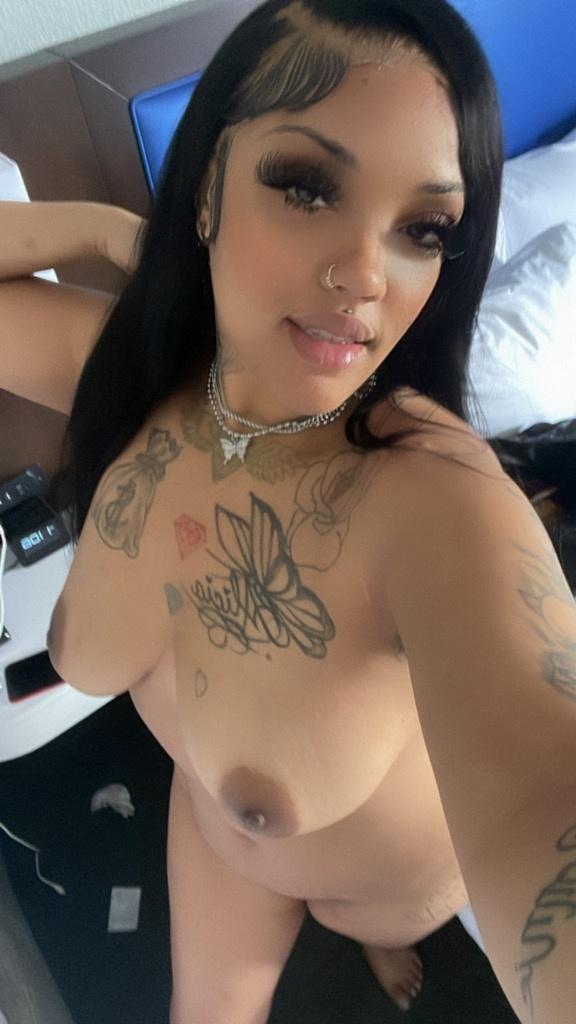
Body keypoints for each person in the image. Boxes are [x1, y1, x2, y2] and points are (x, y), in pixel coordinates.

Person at [1, 1, 575, 1021]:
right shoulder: (130, 372)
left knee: (381, 931)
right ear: (209, 188)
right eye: (307, 186)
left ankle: (377, 939)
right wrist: (107, 227)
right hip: (218, 825)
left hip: (386, 885)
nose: (365, 274)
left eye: (424, 229)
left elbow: (545, 783)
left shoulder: (436, 501)